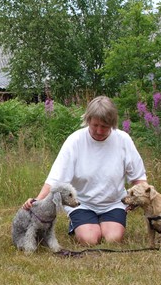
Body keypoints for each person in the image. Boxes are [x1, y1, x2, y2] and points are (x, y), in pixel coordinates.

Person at [25, 95, 146, 246]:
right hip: (81, 203)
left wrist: (144, 201)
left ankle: (106, 222)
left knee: (113, 239)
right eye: (95, 125)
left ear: (113, 124)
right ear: (88, 120)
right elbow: (56, 179)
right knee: (89, 239)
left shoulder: (123, 140)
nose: (99, 131)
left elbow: (139, 178)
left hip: (113, 202)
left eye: (105, 127)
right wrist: (38, 201)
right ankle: (77, 223)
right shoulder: (74, 141)